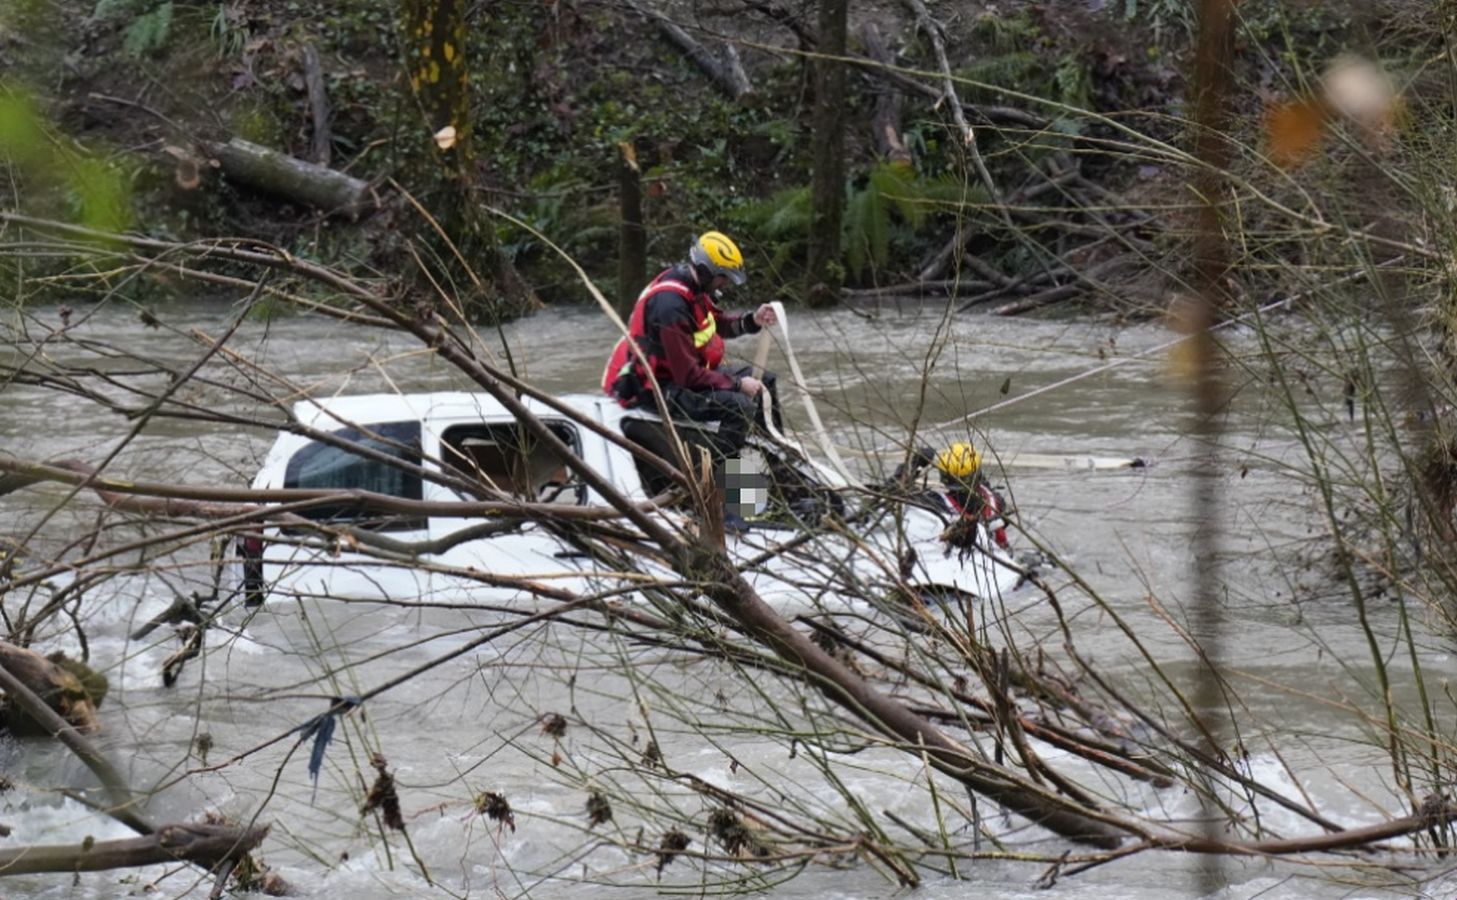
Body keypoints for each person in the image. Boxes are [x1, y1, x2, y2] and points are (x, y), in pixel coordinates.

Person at [602, 231, 780, 532]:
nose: (724, 284)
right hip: (658, 390)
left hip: (683, 376)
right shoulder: (670, 305)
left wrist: (752, 320)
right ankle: (726, 503)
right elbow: (688, 377)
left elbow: (718, 325)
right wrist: (737, 385)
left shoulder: (694, 287)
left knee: (766, 383)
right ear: (709, 271)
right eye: (723, 277)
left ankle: (777, 470)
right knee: (738, 408)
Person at [897, 442, 1012, 551]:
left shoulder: (938, 503)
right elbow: (979, 480)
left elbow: (898, 494)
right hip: (998, 560)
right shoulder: (995, 500)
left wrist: (914, 465)